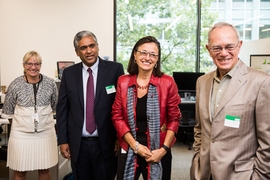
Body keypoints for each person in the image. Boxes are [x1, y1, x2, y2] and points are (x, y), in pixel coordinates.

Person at [190, 22, 270, 180]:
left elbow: (267, 142)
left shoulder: (261, 82)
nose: (223, 53)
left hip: (240, 175)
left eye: (229, 47)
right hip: (204, 172)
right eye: (217, 48)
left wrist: (259, 177)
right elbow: (200, 128)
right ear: (208, 49)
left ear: (239, 45)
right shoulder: (202, 82)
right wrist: (197, 158)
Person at [56, 30, 124, 180]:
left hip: (106, 143)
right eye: (83, 48)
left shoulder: (115, 70)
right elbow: (62, 109)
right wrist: (63, 140)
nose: (88, 51)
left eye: (91, 46)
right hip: (78, 145)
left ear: (98, 46)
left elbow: (122, 107)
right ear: (77, 52)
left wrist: (121, 137)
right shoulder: (68, 73)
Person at [112, 36, 181, 180]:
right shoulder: (123, 81)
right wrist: (135, 146)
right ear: (135, 55)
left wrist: (163, 150)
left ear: (157, 60)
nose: (147, 58)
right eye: (143, 52)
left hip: (159, 147)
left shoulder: (168, 82)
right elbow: (117, 116)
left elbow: (174, 119)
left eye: (153, 54)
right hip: (130, 145)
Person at [1, 51, 58, 180]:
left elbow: (55, 107)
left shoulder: (50, 84)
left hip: (45, 134)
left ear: (40, 65)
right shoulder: (15, 84)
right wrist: (22, 126)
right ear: (23, 65)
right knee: (20, 172)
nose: (33, 67)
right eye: (29, 63)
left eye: (37, 64)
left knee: (45, 170)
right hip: (21, 135)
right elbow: (8, 111)